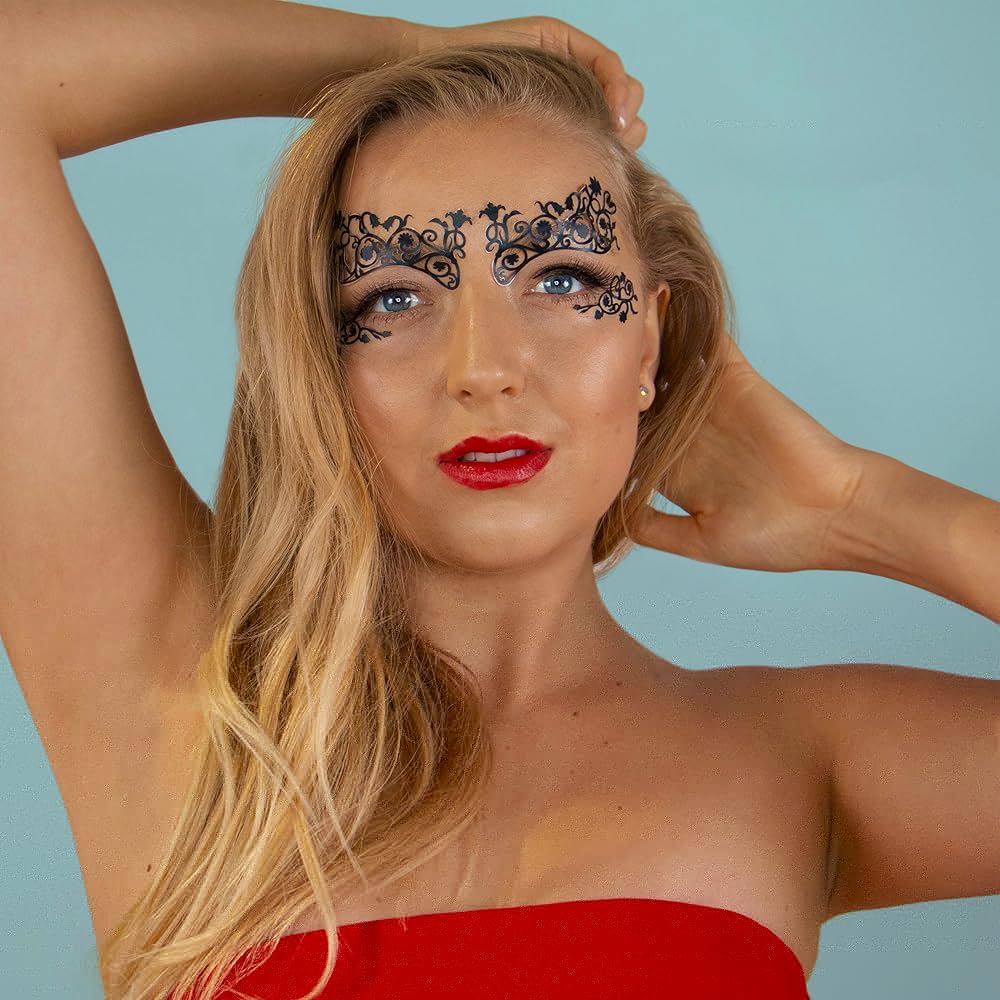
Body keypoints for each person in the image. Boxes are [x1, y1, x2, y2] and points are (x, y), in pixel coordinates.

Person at [2, 4, 997, 1000]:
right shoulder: (176, 699)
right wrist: (408, 60)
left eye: (561, 277)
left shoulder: (797, 758)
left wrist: (867, 508)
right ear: (321, 364)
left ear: (649, 342)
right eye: (394, 297)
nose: (484, 368)